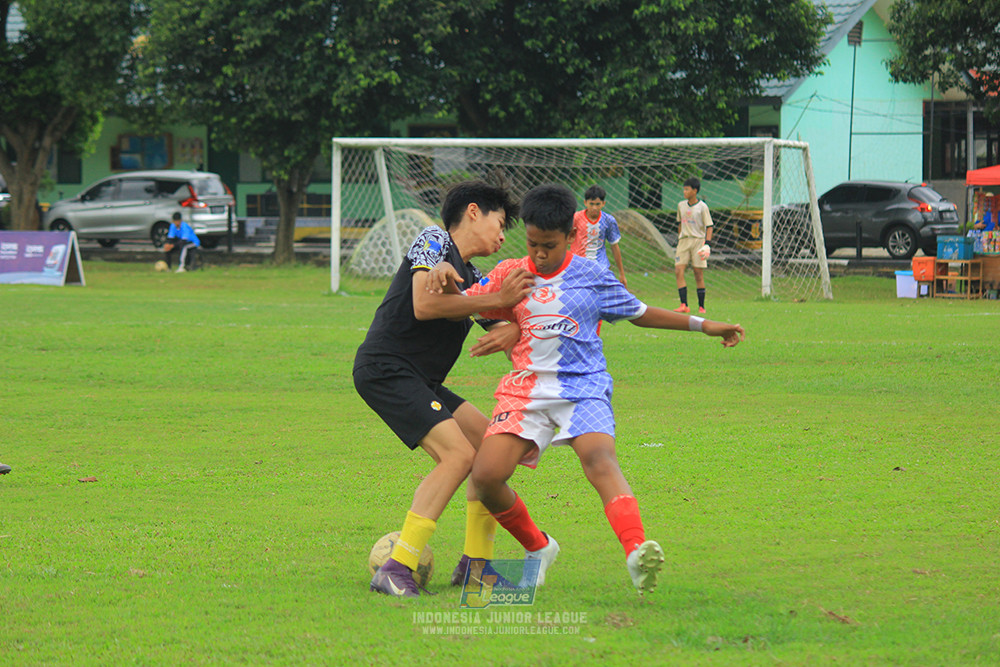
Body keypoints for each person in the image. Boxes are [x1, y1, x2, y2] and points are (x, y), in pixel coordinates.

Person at [429, 183, 745, 596]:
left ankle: (636, 551)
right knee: (487, 477)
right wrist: (444, 275)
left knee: (599, 458)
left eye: (549, 245)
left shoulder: (593, 277)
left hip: (583, 387)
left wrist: (706, 326)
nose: (540, 254)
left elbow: (642, 313)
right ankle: (538, 547)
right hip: (525, 390)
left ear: (571, 237)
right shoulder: (511, 272)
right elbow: (468, 301)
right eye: (533, 244)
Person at [354, 180, 535, 598]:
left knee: (491, 453)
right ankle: (398, 566)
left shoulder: (471, 276)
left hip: (420, 379)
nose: (503, 234)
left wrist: (512, 325)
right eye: (500, 221)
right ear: (473, 212)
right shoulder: (433, 240)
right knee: (458, 456)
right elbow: (425, 305)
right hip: (386, 368)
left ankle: (476, 568)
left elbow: (503, 324)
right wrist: (485, 300)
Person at [571, 185, 627, 287]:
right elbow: (565, 239)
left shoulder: (609, 220)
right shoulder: (576, 218)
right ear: (585, 203)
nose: (594, 208)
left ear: (603, 204)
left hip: (601, 268)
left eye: (597, 204)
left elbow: (614, 246)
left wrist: (622, 274)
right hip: (579, 267)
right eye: (591, 204)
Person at [673, 177, 713, 314]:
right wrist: (680, 239)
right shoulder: (681, 205)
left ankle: (701, 306)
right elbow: (680, 223)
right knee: (678, 270)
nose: (684, 191)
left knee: (698, 274)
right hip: (684, 241)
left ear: (694, 191)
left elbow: (709, 226)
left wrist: (707, 244)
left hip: (698, 241)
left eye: (687, 189)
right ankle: (684, 304)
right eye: (684, 189)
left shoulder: (703, 207)